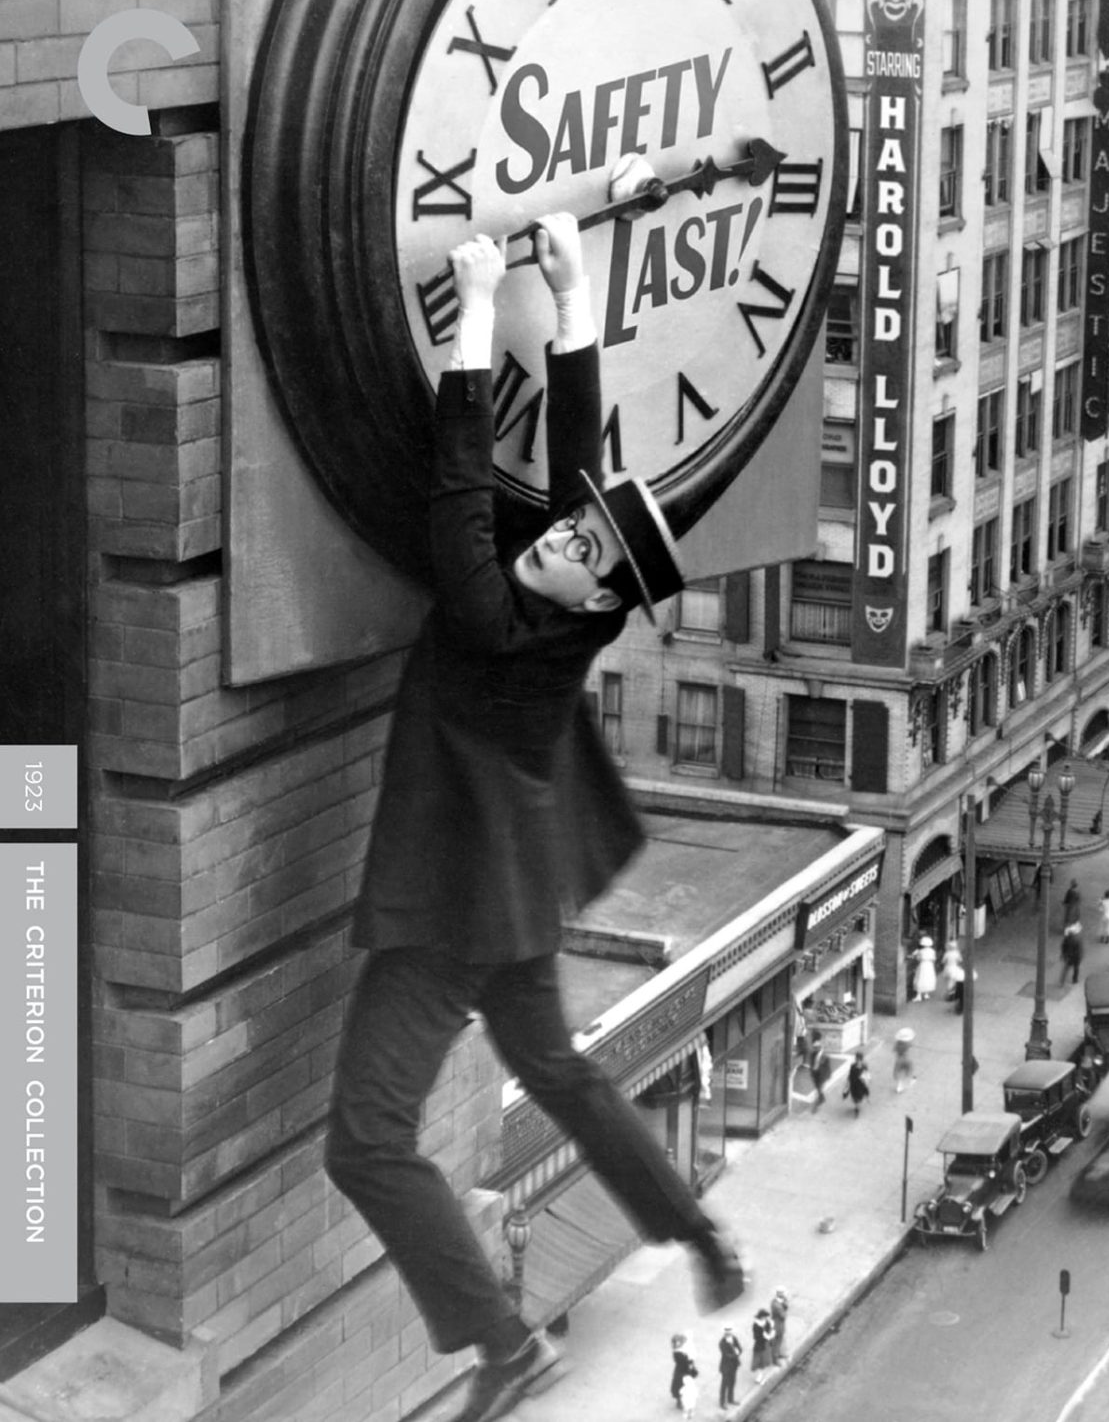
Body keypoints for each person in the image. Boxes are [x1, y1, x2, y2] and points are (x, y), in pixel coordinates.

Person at [324, 211, 745, 1422]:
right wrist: (573, 300)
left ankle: (504, 1348)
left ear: (592, 590)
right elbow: (577, 480)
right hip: (510, 891)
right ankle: (696, 1233)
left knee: (366, 1142)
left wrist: (469, 316)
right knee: (554, 1067)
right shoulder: (569, 605)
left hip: (453, 909)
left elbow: (462, 493)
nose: (557, 534)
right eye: (568, 528)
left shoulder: (496, 620)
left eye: (575, 546)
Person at [670, 1333, 698, 1411]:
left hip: (684, 1370)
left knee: (684, 1386)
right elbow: (683, 1362)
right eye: (677, 1342)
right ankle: (679, 1402)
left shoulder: (682, 1350)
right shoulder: (677, 1353)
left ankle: (683, 1401)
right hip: (681, 1371)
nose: (679, 1343)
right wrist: (689, 1361)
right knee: (680, 1386)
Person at [718, 1326, 743, 1410]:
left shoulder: (734, 1338)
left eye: (730, 1332)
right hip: (726, 1366)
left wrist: (738, 1351)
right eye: (727, 1333)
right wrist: (736, 1354)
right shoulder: (722, 1343)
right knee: (724, 1385)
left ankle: (730, 1399)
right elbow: (726, 1355)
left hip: (734, 1365)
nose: (728, 1334)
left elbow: (740, 1348)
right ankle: (722, 1402)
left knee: (732, 1382)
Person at [750, 1308, 775, 1384]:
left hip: (766, 1344)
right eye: (764, 1317)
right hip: (760, 1345)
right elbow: (755, 1337)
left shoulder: (767, 1322)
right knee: (759, 1361)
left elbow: (770, 1329)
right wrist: (764, 1336)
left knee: (764, 1360)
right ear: (760, 1317)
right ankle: (759, 1375)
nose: (765, 1318)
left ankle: (762, 1375)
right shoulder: (756, 1325)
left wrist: (770, 1332)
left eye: (766, 1317)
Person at [810, 1037, 832, 1113]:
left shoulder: (825, 1057)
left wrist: (828, 1076)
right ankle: (821, 1098)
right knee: (817, 1088)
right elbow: (811, 1063)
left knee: (819, 1088)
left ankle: (818, 1104)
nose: (815, 1049)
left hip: (822, 1075)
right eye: (814, 1047)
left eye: (816, 1048)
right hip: (815, 1074)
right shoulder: (813, 1054)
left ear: (820, 1048)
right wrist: (812, 1072)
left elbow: (828, 1068)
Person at [845, 1050, 871, 1115]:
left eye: (859, 1059)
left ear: (861, 1059)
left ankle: (857, 1108)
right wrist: (847, 1082)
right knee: (854, 1097)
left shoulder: (864, 1066)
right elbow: (850, 1074)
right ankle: (857, 1106)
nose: (857, 1060)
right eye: (857, 1058)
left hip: (860, 1085)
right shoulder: (853, 1066)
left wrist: (866, 1083)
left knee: (859, 1097)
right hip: (853, 1084)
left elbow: (867, 1076)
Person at [941, 939, 965, 1009]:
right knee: (954, 981)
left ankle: (949, 994)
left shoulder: (947, 953)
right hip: (955, 967)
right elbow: (960, 960)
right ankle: (951, 994)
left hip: (948, 967)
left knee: (948, 981)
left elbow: (943, 961)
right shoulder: (957, 953)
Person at [912, 935, 937, 1000]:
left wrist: (915, 956)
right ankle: (926, 994)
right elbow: (934, 959)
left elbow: (918, 959)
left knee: (920, 978)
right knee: (928, 978)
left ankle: (919, 996)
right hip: (930, 965)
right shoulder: (932, 951)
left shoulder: (921, 951)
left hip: (923, 965)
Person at [1060, 918, 1084, 985]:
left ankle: (1062, 981)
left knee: (1066, 968)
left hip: (1070, 956)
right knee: (1076, 968)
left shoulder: (1067, 938)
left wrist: (1063, 954)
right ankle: (1074, 979)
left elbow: (1063, 946)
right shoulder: (1077, 939)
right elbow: (1080, 949)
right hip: (1076, 957)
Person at [769, 1286, 789, 1364]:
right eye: (783, 1293)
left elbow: (786, 1307)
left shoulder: (779, 1301)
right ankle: (775, 1359)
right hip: (777, 1325)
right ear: (779, 1294)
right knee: (776, 1342)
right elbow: (783, 1316)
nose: (784, 1294)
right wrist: (784, 1303)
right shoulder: (776, 1305)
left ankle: (778, 1354)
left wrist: (785, 1300)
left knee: (779, 1341)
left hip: (780, 1324)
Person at [893, 1028, 915, 1093]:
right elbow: (911, 1045)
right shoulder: (908, 1044)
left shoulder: (897, 1044)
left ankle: (899, 1085)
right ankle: (909, 1079)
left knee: (898, 1071)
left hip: (899, 1059)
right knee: (909, 1069)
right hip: (907, 1059)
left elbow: (894, 1050)